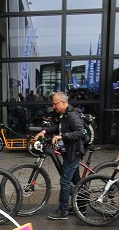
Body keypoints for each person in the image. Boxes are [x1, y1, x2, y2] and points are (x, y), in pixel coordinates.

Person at [33, 91, 86, 220]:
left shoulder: (72, 115)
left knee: (64, 181)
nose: (54, 106)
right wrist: (44, 132)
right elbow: (58, 128)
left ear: (63, 102)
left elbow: (80, 132)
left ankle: (62, 212)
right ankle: (82, 207)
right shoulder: (64, 115)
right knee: (76, 181)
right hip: (69, 152)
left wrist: (62, 137)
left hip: (73, 152)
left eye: (55, 103)